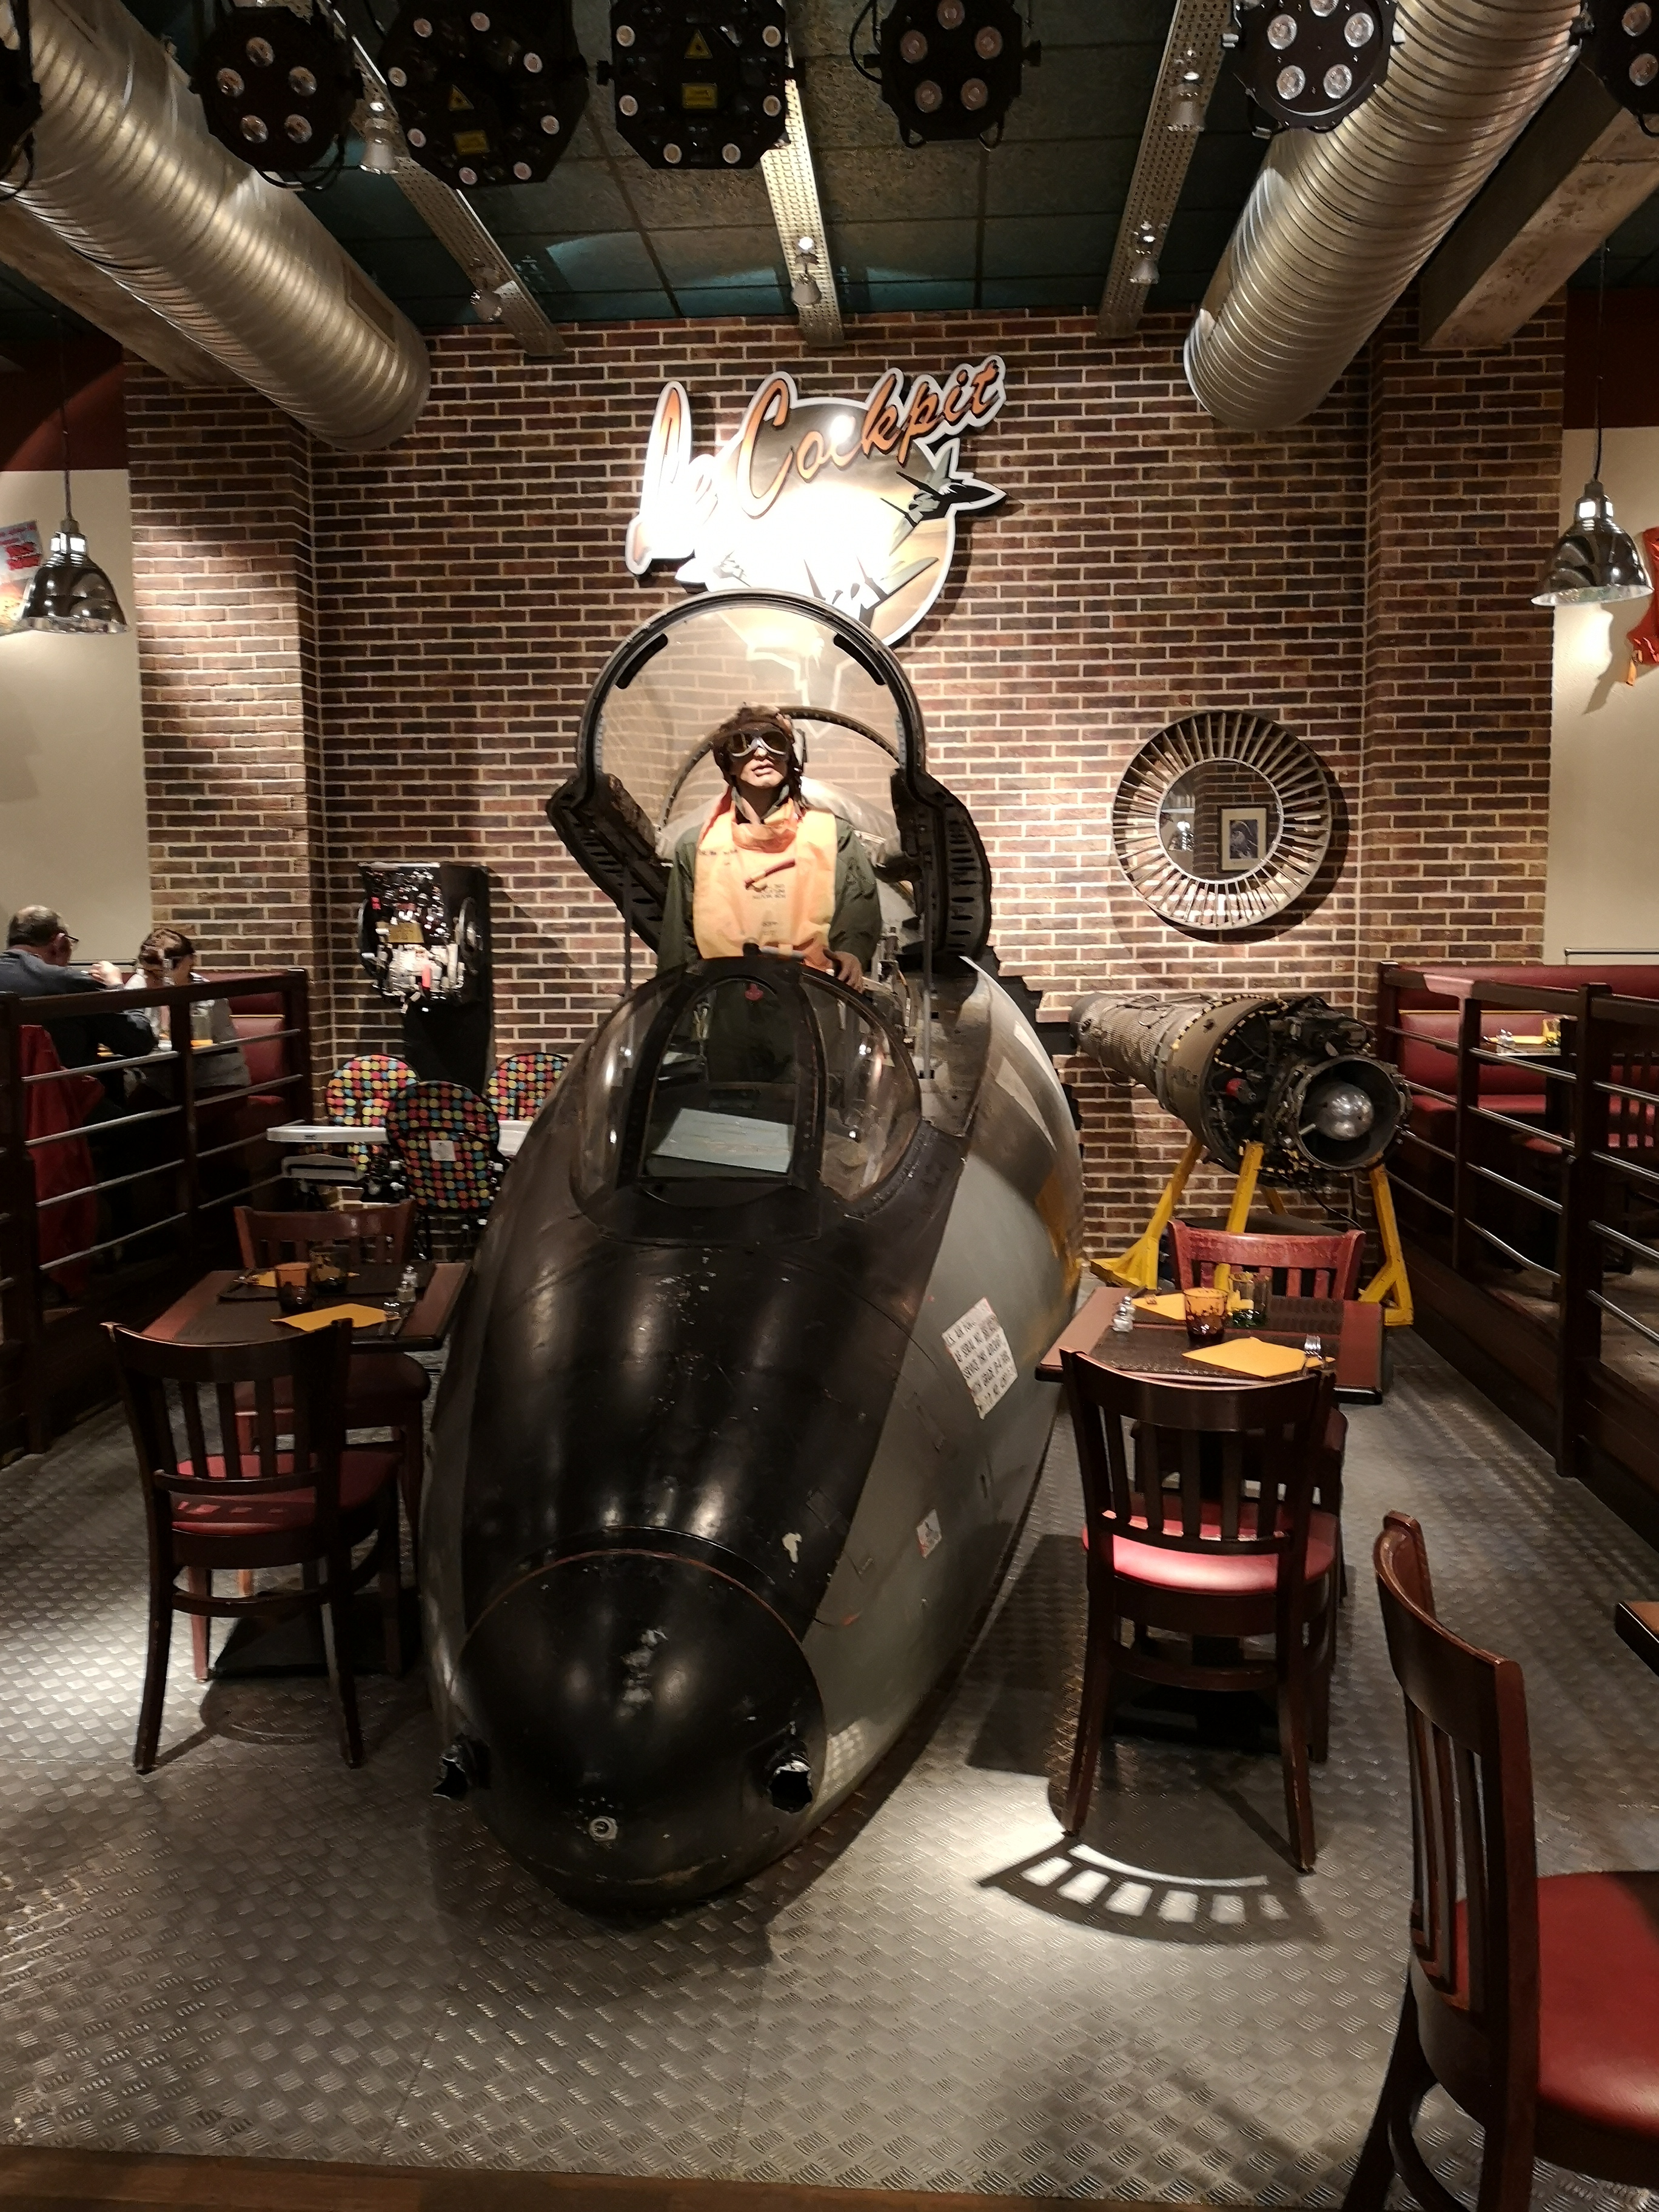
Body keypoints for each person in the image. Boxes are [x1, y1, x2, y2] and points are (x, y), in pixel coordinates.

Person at [656, 706, 881, 983]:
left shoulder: (832, 835)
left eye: (773, 742)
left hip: (812, 994)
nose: (761, 753)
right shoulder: (697, 847)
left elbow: (857, 912)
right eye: (742, 745)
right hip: (724, 997)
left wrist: (852, 954)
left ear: (789, 757)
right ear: (729, 765)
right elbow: (678, 949)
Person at [0, 906, 154, 1078]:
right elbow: (138, 1042)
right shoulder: (69, 983)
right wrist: (116, 988)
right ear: (60, 941)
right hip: (65, 1091)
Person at [124, 925, 249, 1094]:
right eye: (148, 972)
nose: (153, 980)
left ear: (190, 961)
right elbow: (123, 1031)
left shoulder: (207, 996)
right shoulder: (139, 983)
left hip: (214, 1082)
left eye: (161, 973)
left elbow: (192, 1050)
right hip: (159, 1084)